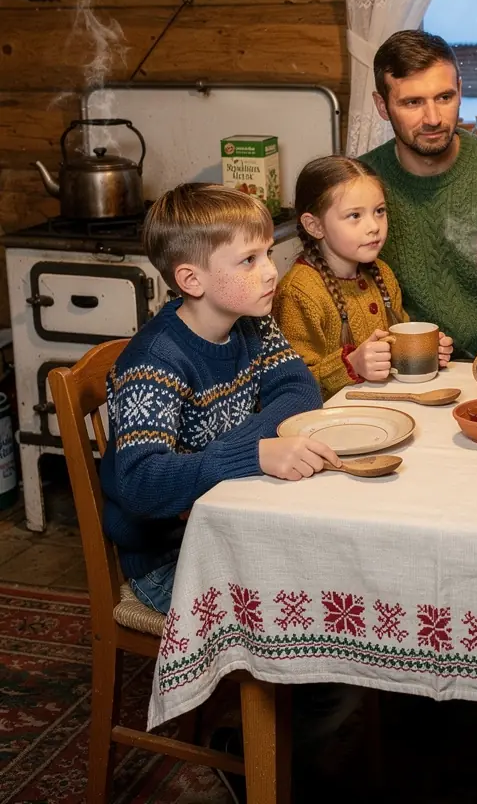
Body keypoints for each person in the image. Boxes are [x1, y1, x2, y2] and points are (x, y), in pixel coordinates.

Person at [99, 184, 354, 801]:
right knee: (328, 619)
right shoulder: (155, 364)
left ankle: (298, 730)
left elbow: (299, 391)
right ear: (191, 278)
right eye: (249, 260)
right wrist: (251, 453)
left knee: (350, 576)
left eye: (269, 253)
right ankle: (264, 758)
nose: (272, 272)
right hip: (169, 556)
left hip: (233, 521)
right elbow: (140, 483)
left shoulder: (249, 328)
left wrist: (240, 448)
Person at [358, 29, 477, 359]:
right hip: (411, 367)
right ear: (382, 106)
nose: (434, 118)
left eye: (444, 97)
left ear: (461, 91)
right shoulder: (360, 184)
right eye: (412, 102)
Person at [274, 155, 453, 397]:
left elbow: (395, 347)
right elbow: (291, 386)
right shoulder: (299, 292)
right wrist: (351, 365)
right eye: (355, 216)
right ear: (314, 226)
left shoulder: (382, 273)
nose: (374, 226)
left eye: (379, 211)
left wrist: (424, 352)